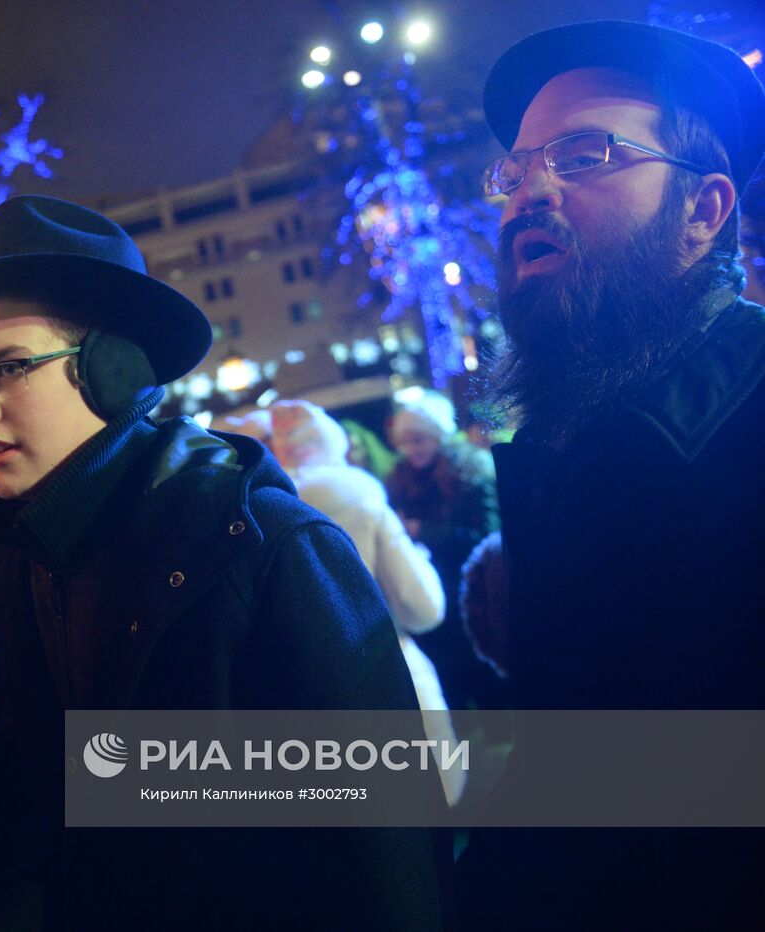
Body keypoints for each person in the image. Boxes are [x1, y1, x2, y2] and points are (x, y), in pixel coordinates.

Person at [0, 195, 449, 929]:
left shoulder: (269, 546)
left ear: (111, 369)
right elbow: (49, 777)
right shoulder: (22, 565)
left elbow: (388, 850)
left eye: (6, 368)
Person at [460, 20, 765, 928]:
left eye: (585, 155)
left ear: (704, 211)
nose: (531, 191)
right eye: (514, 170)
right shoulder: (572, 433)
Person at [269, 400, 464, 806]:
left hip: (302, 698)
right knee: (430, 811)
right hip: (389, 669)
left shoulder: (261, 510)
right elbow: (424, 607)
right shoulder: (362, 496)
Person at [384, 389, 500, 713]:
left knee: (486, 682)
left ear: (437, 434)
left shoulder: (471, 472)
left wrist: (422, 531)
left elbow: (485, 535)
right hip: (431, 594)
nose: (412, 449)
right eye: (406, 442)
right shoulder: (398, 480)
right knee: (449, 687)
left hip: (472, 590)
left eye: (419, 439)